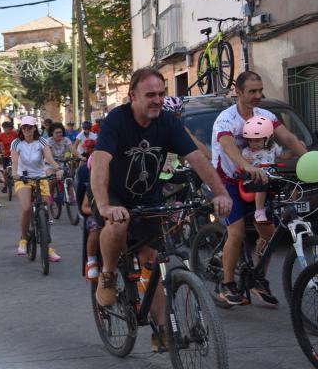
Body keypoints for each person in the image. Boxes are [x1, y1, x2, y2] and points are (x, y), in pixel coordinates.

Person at [91, 67, 232, 350]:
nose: (157, 99)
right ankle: (107, 274)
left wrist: (220, 192)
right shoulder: (117, 121)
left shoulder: (168, 123)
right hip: (115, 195)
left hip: (148, 198)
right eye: (150, 95)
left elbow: (196, 158)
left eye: (161, 94)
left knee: (153, 260)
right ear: (133, 96)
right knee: (116, 224)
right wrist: (105, 205)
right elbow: (101, 161)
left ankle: (163, 331)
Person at [212, 71, 307, 305]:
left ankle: (258, 278)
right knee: (237, 233)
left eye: (260, 90)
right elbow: (227, 145)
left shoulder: (265, 115)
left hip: (260, 181)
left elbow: (289, 139)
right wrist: (245, 165)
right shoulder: (226, 119)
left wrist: (308, 160)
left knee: (268, 233)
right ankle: (227, 284)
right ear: (238, 92)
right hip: (229, 180)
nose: (258, 95)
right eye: (252, 91)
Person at [11, 116, 64, 262]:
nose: (27, 129)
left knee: (45, 211)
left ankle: (48, 247)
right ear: (21, 129)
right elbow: (14, 161)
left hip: (40, 177)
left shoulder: (42, 141)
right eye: (24, 127)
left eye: (29, 127)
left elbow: (49, 158)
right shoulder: (16, 143)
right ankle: (23, 239)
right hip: (23, 179)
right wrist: (15, 173)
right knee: (27, 208)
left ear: (35, 127)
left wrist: (57, 168)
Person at [241, 116, 292, 223]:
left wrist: (294, 151)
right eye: (250, 141)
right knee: (263, 184)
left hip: (271, 177)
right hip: (253, 180)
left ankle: (289, 207)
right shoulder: (246, 151)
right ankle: (259, 211)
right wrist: (245, 161)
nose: (252, 143)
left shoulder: (273, 146)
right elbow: (241, 165)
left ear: (268, 138)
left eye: (257, 140)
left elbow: (283, 155)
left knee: (290, 183)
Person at [76, 152, 100, 281]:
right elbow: (84, 207)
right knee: (96, 229)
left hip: (114, 215)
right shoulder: (92, 186)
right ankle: (91, 261)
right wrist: (99, 211)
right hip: (96, 215)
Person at [0, 121, 18, 193]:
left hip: (15, 154)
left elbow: (20, 142)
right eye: (4, 128)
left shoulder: (15, 134)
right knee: (5, 171)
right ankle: (5, 185)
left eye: (8, 128)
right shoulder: (1, 135)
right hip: (5, 154)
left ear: (10, 128)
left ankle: (18, 183)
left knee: (16, 169)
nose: (6, 130)